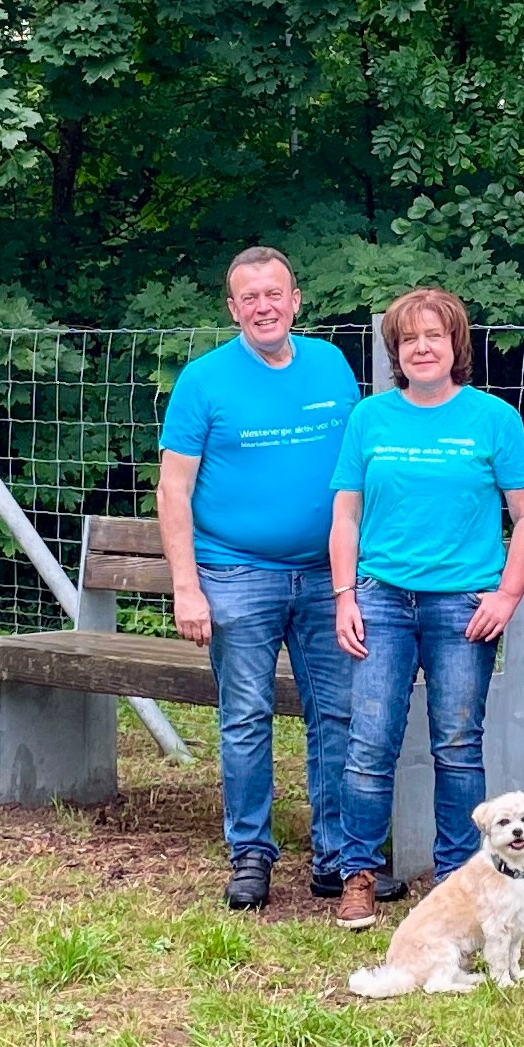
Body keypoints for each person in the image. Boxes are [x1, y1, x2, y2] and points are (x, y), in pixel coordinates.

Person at [328, 288, 524, 930]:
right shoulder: (370, 418)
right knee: (369, 742)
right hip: (381, 600)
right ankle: (359, 874)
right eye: (408, 339)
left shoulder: (492, 419)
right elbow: (345, 514)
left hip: (463, 606)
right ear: (396, 351)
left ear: (457, 347)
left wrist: (507, 593)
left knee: (456, 744)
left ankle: (457, 878)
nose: (422, 348)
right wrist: (344, 595)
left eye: (435, 336)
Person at [159, 246, 362, 911]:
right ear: (232, 308)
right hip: (235, 574)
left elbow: (357, 473)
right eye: (250, 297)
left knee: (336, 715)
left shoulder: (332, 365)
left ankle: (338, 855)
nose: (264, 306)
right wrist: (186, 587)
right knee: (245, 717)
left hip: (325, 575)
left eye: (274, 293)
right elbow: (173, 489)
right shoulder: (203, 379)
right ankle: (250, 852)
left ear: (296, 299)